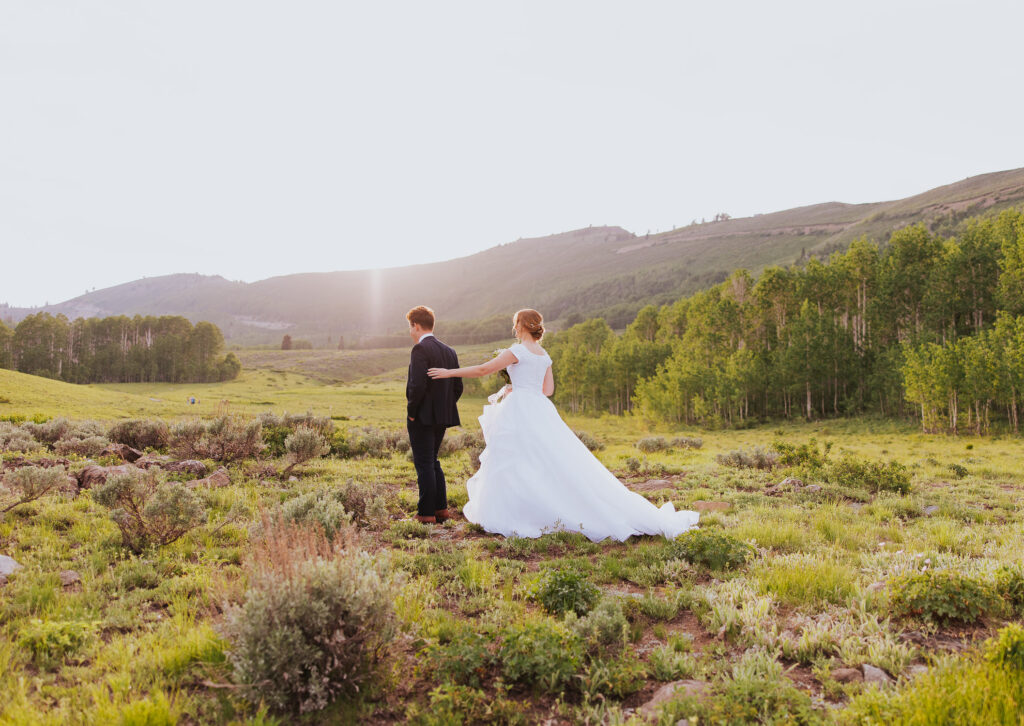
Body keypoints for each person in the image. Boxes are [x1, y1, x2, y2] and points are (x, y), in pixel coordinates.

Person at [428, 308, 699, 542]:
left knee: (514, 460)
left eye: (515, 323)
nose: (514, 327)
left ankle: (517, 512)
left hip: (520, 409)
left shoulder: (517, 351)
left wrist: (449, 373)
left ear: (520, 326)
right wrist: (518, 386)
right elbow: (547, 390)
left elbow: (483, 370)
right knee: (550, 461)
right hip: (540, 409)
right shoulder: (544, 355)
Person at [405, 305, 463, 524]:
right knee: (433, 460)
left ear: (416, 326)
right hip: (442, 417)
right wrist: (443, 408)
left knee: (424, 463)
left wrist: (412, 413)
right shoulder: (450, 351)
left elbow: (417, 385)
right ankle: (441, 509)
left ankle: (425, 513)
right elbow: (458, 387)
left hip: (421, 417)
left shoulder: (420, 350)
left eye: (410, 327)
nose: (410, 332)